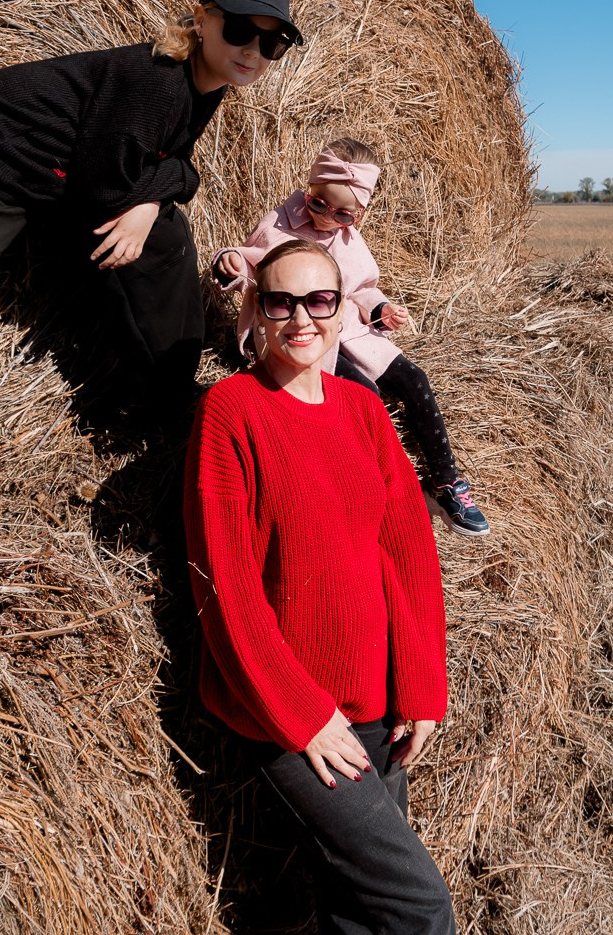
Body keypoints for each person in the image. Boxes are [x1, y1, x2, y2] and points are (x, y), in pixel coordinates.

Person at [0, 0, 302, 542]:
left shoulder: (204, 88)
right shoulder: (154, 80)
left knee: (165, 241)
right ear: (203, 20)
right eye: (240, 29)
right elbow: (109, 189)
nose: (255, 50)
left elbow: (158, 168)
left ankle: (167, 396)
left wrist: (153, 199)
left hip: (54, 183)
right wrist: (150, 196)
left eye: (273, 41)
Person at [184, 237, 456, 934]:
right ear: (256, 310)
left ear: (341, 310)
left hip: (378, 704)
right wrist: (300, 711)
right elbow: (227, 584)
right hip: (294, 714)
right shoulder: (232, 411)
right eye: (281, 301)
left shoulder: (362, 410)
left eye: (320, 300)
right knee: (417, 904)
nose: (302, 318)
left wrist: (422, 684)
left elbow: (408, 552)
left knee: (358, 909)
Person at [212, 137, 490, 538]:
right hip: (299, 332)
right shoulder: (278, 225)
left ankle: (445, 483)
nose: (327, 218)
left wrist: (381, 309)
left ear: (359, 213)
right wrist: (231, 263)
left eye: (342, 213)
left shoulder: (349, 239)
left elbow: (361, 288)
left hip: (349, 329)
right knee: (365, 399)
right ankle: (387, 492)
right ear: (309, 188)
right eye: (318, 204)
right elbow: (254, 269)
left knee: (415, 380)